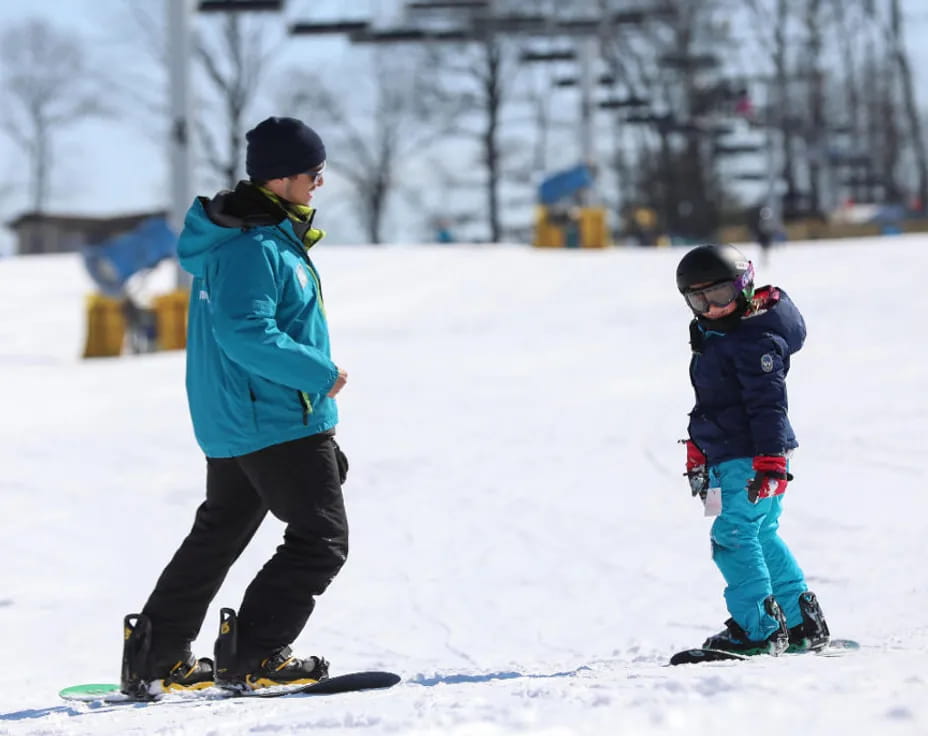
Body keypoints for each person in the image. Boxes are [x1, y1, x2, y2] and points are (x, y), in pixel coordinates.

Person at [120, 116, 350, 698]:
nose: (318, 184)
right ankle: (255, 654)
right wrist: (320, 374)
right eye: (312, 173)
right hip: (273, 418)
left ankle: (157, 656)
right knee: (321, 540)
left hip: (240, 418)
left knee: (219, 535)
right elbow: (245, 333)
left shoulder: (244, 236)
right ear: (281, 178)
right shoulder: (254, 244)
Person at [675, 243, 830, 655]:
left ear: (743, 288)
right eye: (698, 299)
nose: (711, 307)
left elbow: (767, 406)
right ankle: (800, 622)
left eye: (720, 296)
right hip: (736, 452)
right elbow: (717, 404)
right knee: (760, 532)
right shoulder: (722, 333)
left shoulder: (754, 339)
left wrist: (769, 462)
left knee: (733, 536)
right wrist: (700, 448)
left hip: (752, 455)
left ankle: (758, 628)